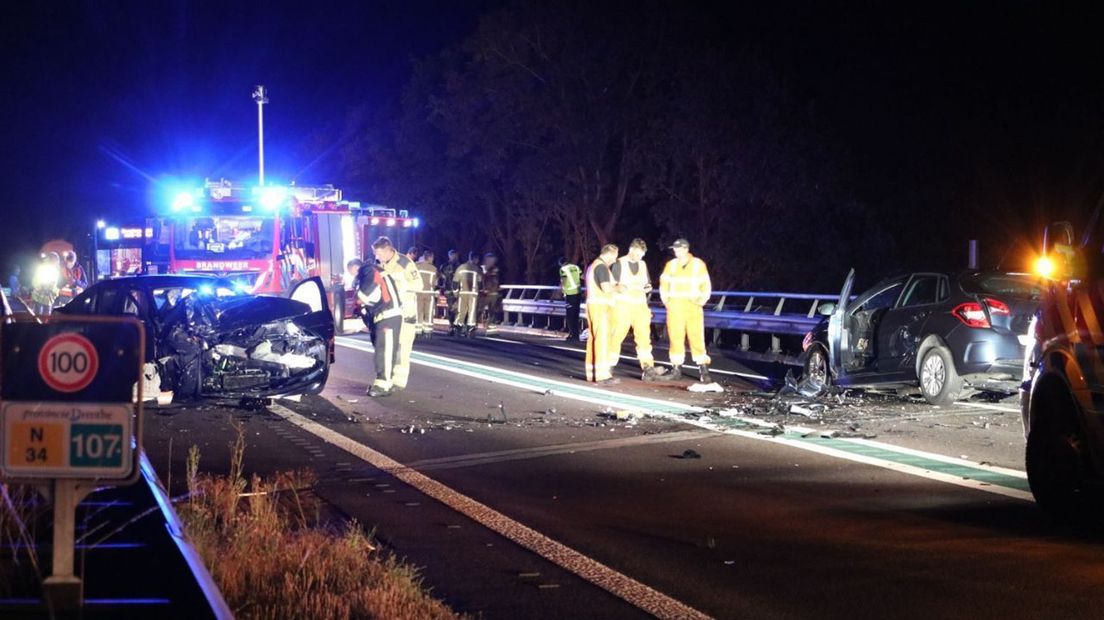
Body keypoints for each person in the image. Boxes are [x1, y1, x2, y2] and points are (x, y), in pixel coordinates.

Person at [610, 239, 672, 382]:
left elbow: (647, 283)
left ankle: (647, 368)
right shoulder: (619, 263)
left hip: (640, 308)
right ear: (631, 250)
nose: (640, 258)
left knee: (644, 339)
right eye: (638, 254)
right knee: (615, 337)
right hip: (622, 307)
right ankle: (608, 367)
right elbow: (612, 286)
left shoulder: (643, 264)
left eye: (642, 255)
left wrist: (648, 288)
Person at [659, 238, 713, 382]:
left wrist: (701, 300)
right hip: (675, 307)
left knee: (697, 338)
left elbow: (706, 285)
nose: (675, 252)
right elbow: (663, 285)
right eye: (674, 249)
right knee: (675, 338)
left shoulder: (698, 264)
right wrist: (667, 302)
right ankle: (676, 369)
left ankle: (703, 370)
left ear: (685, 249)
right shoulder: (670, 265)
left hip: (692, 307)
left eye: (677, 249)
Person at [375, 237, 423, 391]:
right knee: (388, 347)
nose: (378, 257)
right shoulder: (380, 265)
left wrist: (399, 288)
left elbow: (419, 285)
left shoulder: (405, 263)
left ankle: (399, 382)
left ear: (389, 250)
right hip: (388, 314)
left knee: (402, 348)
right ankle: (386, 379)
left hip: (405, 314)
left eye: (380, 254)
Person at [355, 262, 404, 397]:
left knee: (384, 350)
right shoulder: (376, 270)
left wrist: (358, 299)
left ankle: (382, 384)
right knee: (384, 349)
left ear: (355, 268)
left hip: (387, 315)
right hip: (388, 314)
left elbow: (365, 295)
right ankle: (386, 382)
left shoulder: (369, 271)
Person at [585, 244, 620, 385]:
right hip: (601, 307)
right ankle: (602, 375)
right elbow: (606, 288)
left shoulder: (593, 266)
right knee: (602, 340)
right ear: (610, 254)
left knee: (593, 339)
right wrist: (619, 288)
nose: (615, 259)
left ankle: (592, 373)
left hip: (593, 306)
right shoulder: (601, 267)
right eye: (615, 256)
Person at [453, 252, 481, 337]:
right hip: (473, 294)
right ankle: (470, 328)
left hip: (462, 293)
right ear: (475, 259)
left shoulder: (461, 268)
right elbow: (480, 282)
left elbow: (455, 282)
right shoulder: (477, 269)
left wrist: (455, 293)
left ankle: (458, 327)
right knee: (472, 311)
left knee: (461, 311)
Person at [415, 250, 438, 339]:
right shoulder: (434, 269)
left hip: (418, 292)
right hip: (429, 293)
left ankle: (418, 331)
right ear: (429, 257)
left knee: (418, 311)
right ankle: (427, 332)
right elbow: (435, 283)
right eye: (432, 257)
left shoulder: (417, 266)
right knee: (428, 312)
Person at [558, 257, 582, 342]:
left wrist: (562, 291)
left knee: (570, 315)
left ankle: (573, 334)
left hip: (570, 293)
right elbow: (581, 276)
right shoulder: (576, 267)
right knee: (576, 314)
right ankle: (577, 334)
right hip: (578, 293)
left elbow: (563, 281)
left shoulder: (563, 269)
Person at [439, 250, 461, 334]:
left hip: (459, 291)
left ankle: (457, 325)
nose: (454, 257)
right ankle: (452, 326)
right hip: (449, 290)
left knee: (458, 309)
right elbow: (441, 278)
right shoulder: (444, 266)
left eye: (455, 255)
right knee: (451, 308)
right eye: (453, 255)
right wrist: (442, 288)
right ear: (449, 256)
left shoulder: (460, 266)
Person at [479, 252, 502, 332]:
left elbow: (499, 280)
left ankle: (491, 327)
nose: (491, 261)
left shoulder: (496, 270)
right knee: (479, 309)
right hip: (484, 293)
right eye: (489, 259)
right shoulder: (482, 269)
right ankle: (472, 326)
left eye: (492, 260)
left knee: (493, 311)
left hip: (494, 293)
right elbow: (480, 280)